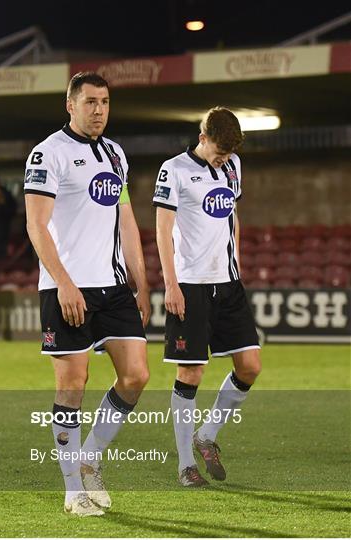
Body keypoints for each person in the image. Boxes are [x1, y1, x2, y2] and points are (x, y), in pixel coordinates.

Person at [24, 72, 150, 516]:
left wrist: (143, 280)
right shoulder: (48, 153)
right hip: (66, 288)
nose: (99, 110)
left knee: (136, 376)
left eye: (105, 102)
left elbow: (127, 222)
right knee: (72, 386)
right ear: (70, 105)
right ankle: (73, 488)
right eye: (91, 102)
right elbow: (36, 226)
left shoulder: (115, 154)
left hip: (114, 287)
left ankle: (90, 456)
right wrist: (63, 282)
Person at [153, 107, 261, 487]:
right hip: (190, 286)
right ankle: (186, 464)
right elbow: (163, 231)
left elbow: (232, 216)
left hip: (228, 283)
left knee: (250, 366)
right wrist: (171, 284)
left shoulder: (234, 166)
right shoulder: (175, 171)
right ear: (202, 137)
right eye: (218, 152)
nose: (223, 160)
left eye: (228, 154)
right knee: (191, 373)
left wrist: (238, 261)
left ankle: (207, 435)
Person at [0, 174, 17, 263]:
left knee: (1, 255)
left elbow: (12, 209)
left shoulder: (6, 194)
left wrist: (1, 203)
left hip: (2, 228)